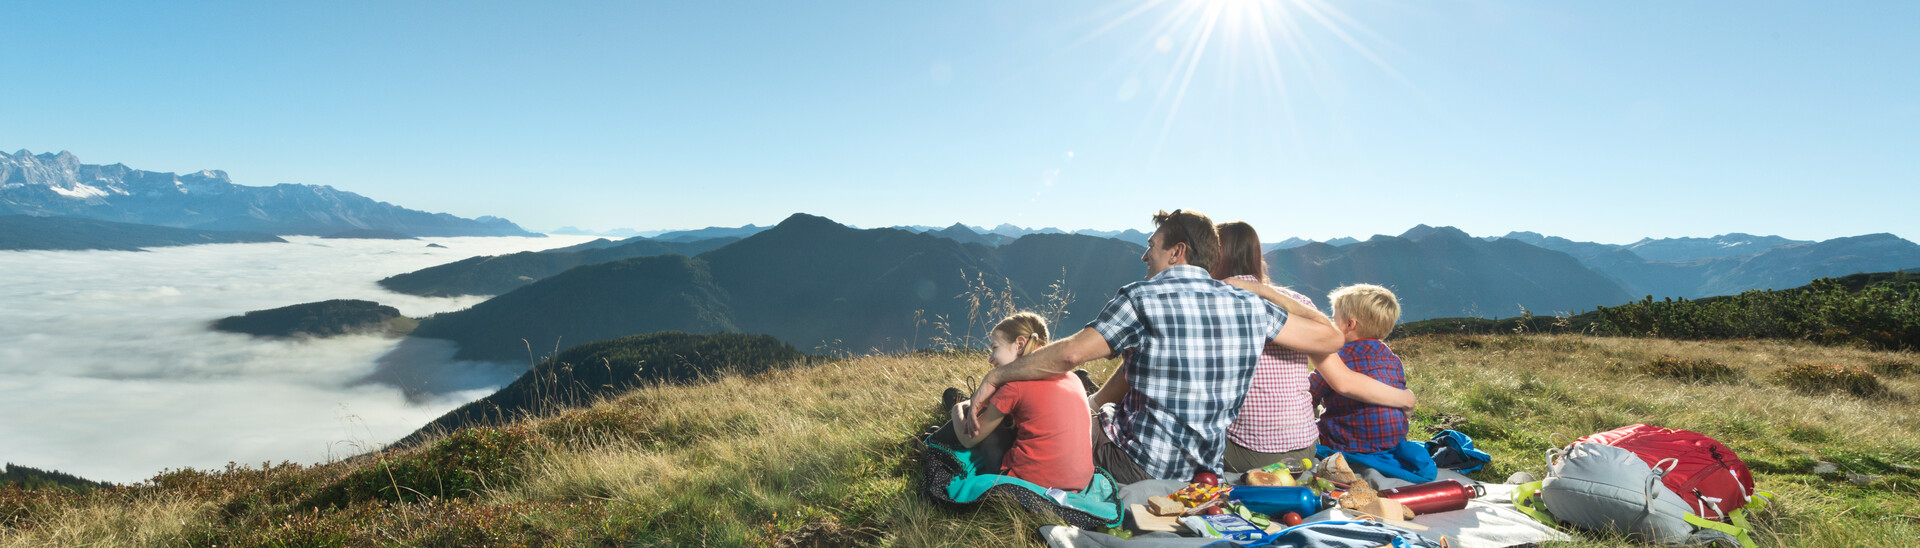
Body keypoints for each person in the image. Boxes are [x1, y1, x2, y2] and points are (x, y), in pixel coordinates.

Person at [967, 209, 1344, 483]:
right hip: (1204, 472)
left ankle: (974, 429)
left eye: (1152, 247)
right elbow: (1331, 337)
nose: (1145, 255)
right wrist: (1265, 291)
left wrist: (999, 373)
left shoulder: (1141, 297)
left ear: (1177, 252)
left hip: (1133, 462)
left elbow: (1068, 355)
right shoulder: (1253, 307)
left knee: (1047, 407)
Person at [1211, 222, 1417, 473]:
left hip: (1251, 453)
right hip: (1304, 448)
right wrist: (1405, 397)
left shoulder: (1213, 301)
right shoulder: (1299, 302)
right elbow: (1343, 380)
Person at [939, 312, 1094, 491]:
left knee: (978, 420)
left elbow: (969, 440)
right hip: (1079, 482)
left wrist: (957, 408)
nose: (990, 359)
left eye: (995, 348)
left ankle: (931, 441)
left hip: (1027, 485)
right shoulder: (1073, 378)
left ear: (1020, 344)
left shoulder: (1014, 386)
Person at [1308, 284, 1433, 483]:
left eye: (1334, 318)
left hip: (1347, 447)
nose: (1332, 322)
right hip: (1391, 444)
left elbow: (1309, 395)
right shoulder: (1393, 359)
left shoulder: (1338, 357)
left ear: (1349, 324)